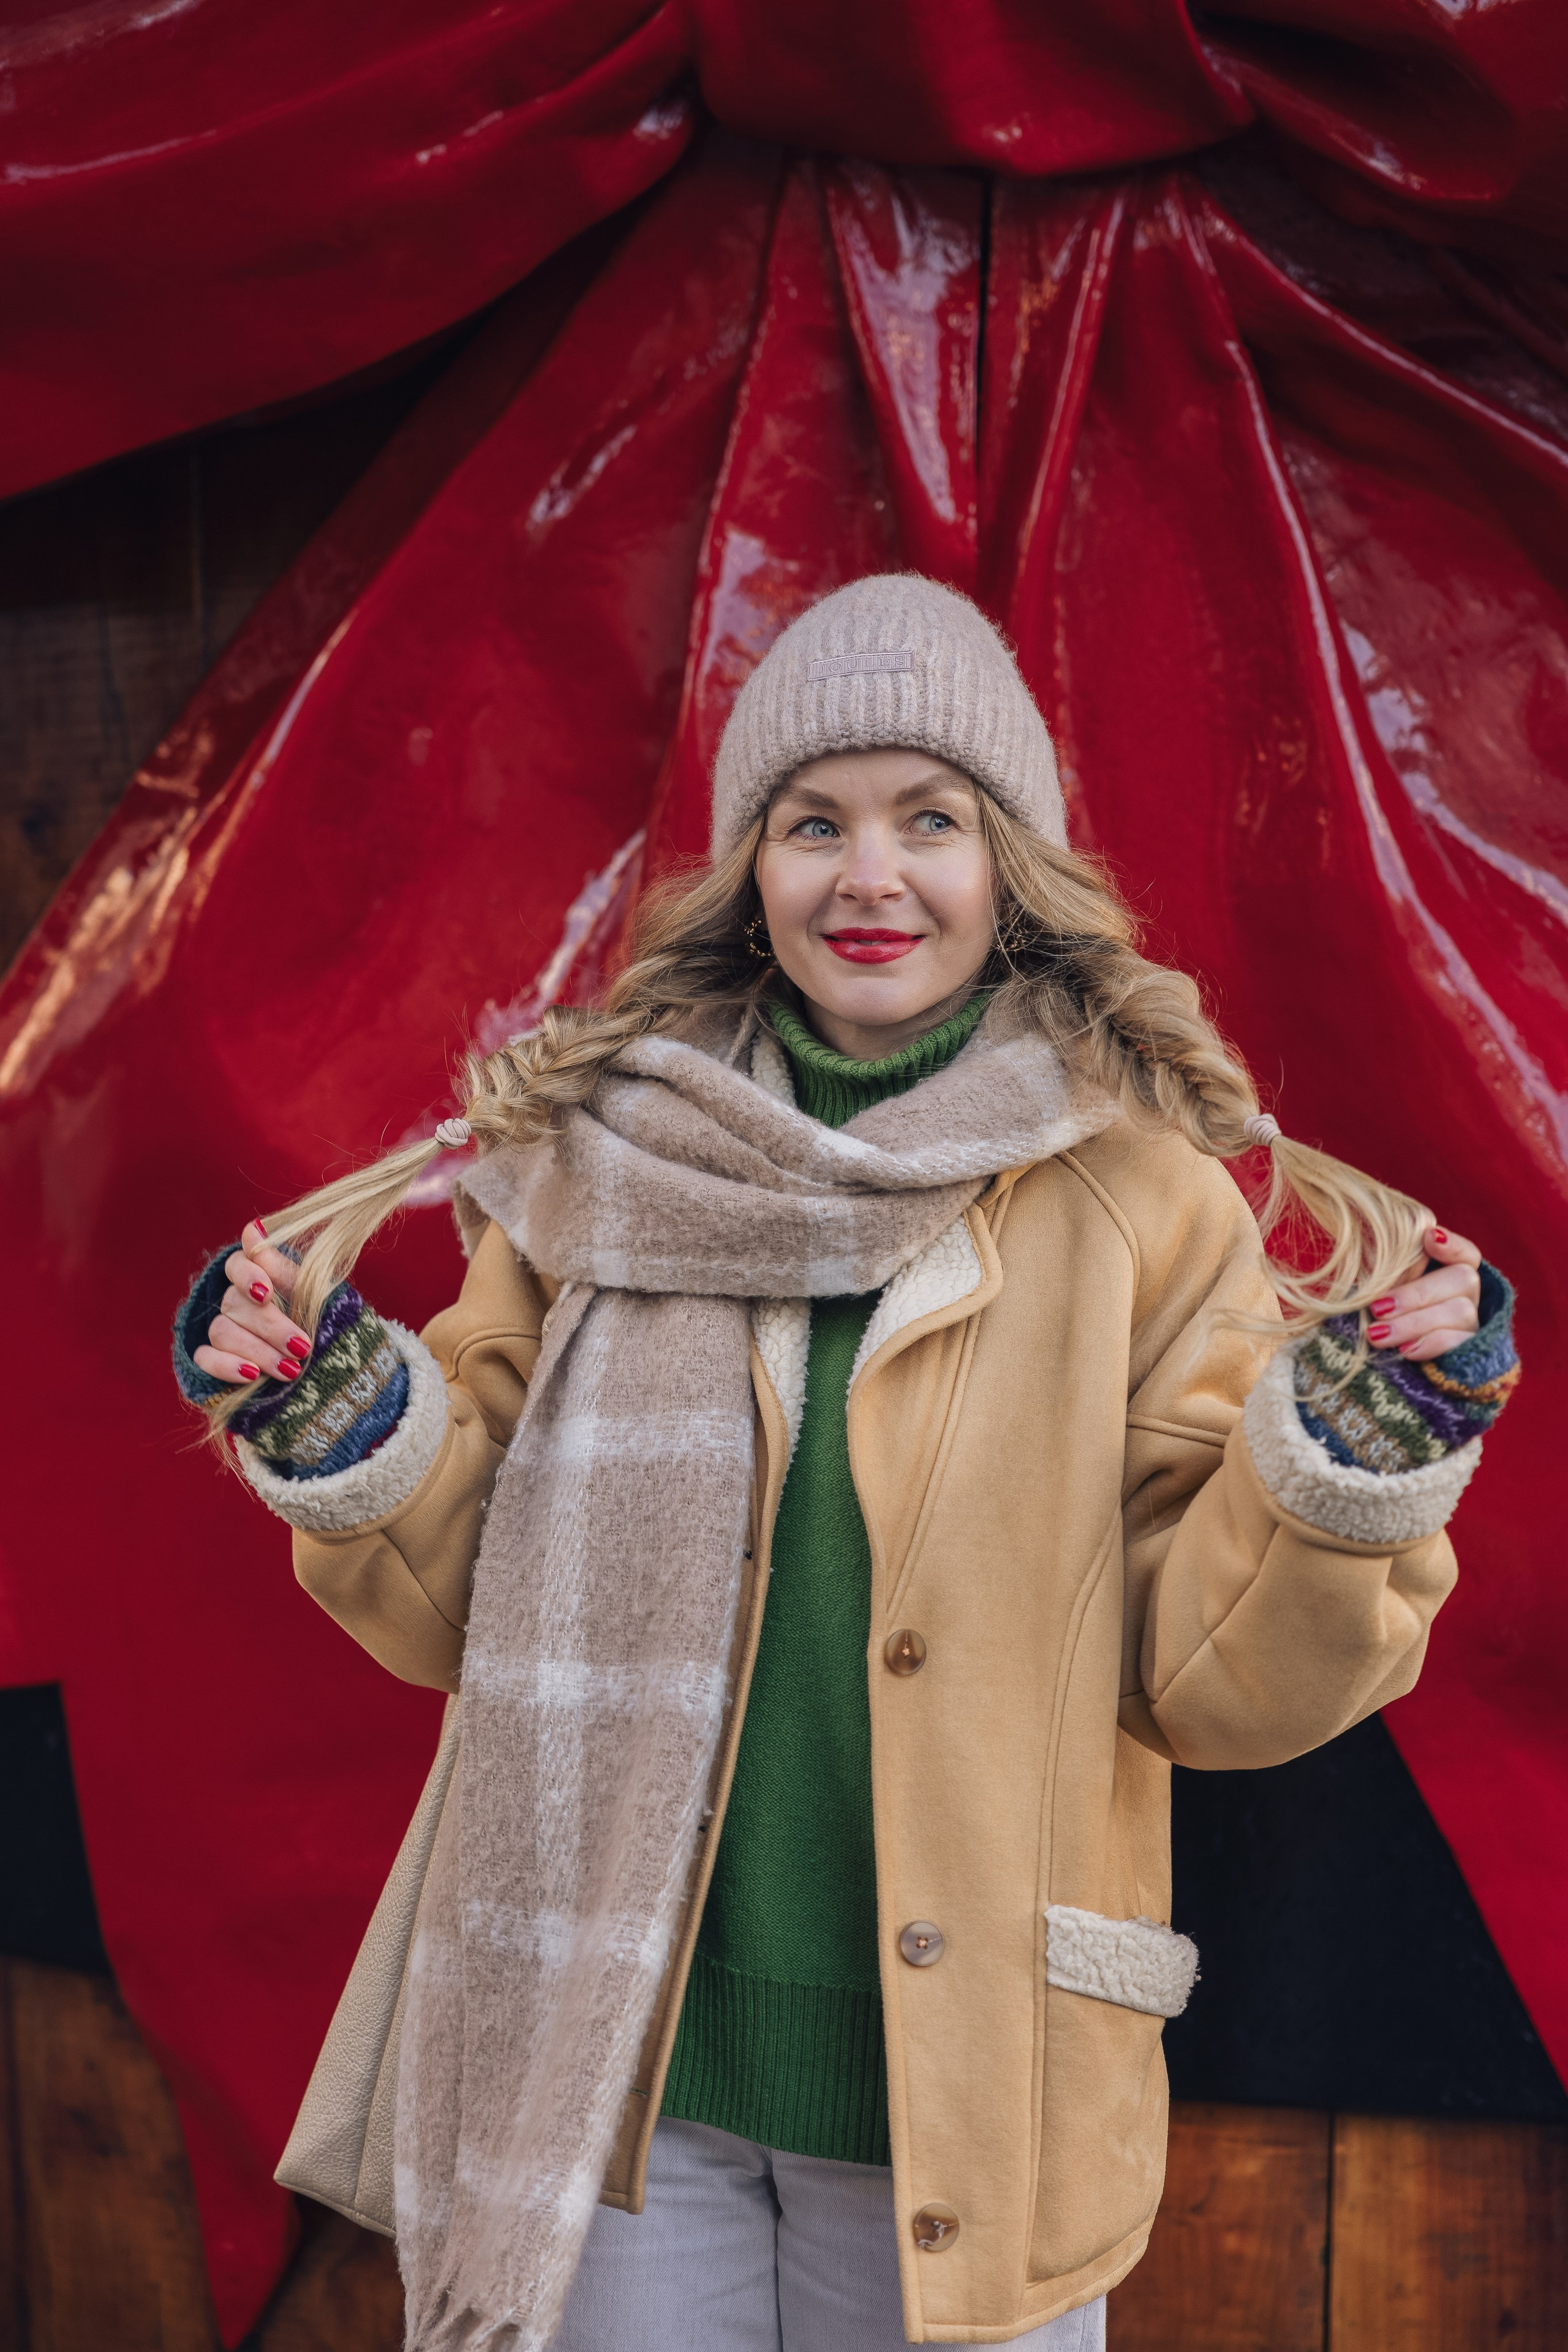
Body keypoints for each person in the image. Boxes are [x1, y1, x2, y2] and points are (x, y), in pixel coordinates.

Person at [173, 576, 1517, 2352]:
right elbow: (469, 1612)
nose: (868, 876)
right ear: (753, 867)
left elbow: (1218, 1682)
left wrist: (1352, 1470)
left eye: (929, 821)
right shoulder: (604, 1169)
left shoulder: (1139, 1194)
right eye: (815, 822)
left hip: (972, 2091)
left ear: (1009, 864)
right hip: (624, 2067)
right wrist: (345, 1428)